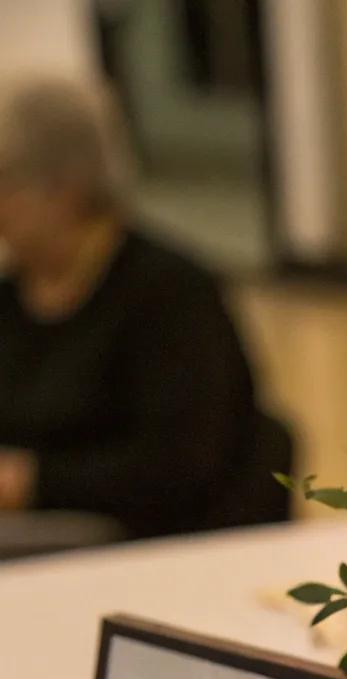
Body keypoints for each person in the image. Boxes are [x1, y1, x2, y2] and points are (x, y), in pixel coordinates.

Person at [0, 75, 288, 540]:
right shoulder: (11, 295)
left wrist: (30, 481)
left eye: (4, 185)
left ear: (64, 188)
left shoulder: (169, 293)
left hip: (140, 540)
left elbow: (180, 467)